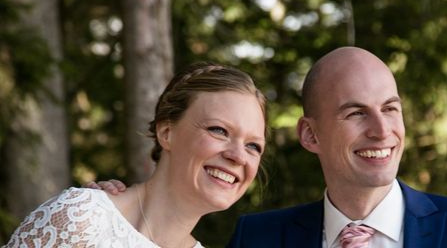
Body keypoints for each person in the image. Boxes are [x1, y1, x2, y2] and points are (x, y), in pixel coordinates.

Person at [226, 46, 447, 247]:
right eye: (356, 113)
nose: (382, 130)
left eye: (389, 109)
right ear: (311, 135)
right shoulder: (257, 239)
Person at [5, 61, 267, 248]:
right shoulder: (83, 219)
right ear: (167, 133)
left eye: (253, 146)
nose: (238, 156)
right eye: (219, 130)